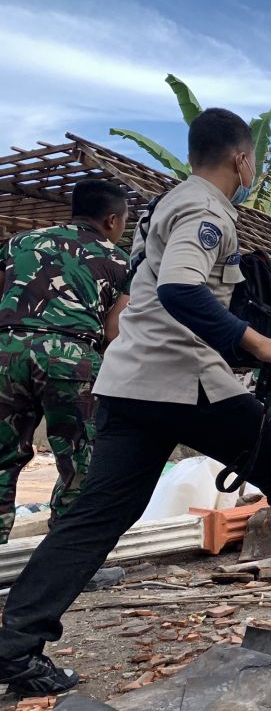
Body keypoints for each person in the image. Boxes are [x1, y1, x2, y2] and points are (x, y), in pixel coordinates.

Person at [0, 108, 271, 696]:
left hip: (129, 382)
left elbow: (148, 298)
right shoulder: (208, 210)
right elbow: (182, 288)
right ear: (242, 159)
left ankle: (15, 647)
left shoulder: (164, 203)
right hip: (185, 382)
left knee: (97, 514)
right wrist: (257, 342)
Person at [0, 179, 130, 549]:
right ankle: (65, 561)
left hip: (6, 351)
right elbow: (114, 333)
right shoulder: (119, 260)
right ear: (110, 219)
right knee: (81, 461)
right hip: (71, 359)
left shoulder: (19, 243)